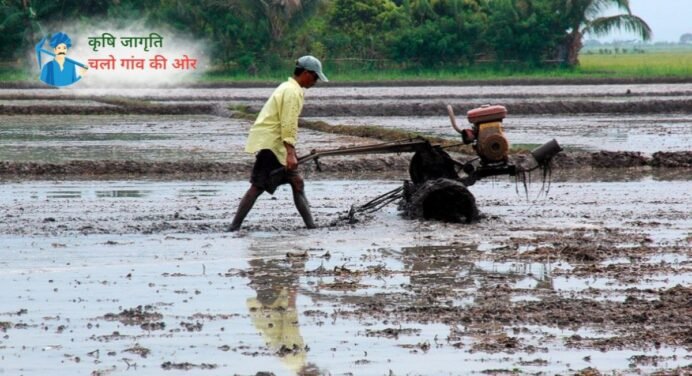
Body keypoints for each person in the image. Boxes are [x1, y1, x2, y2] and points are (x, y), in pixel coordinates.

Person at [229, 55, 328, 231]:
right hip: (273, 145)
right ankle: (233, 227)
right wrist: (290, 153)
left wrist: (290, 151)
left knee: (297, 182)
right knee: (257, 186)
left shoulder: (288, 87)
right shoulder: (292, 91)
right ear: (306, 73)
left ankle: (312, 228)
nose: (315, 82)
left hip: (276, 144)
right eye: (315, 77)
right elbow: (288, 123)